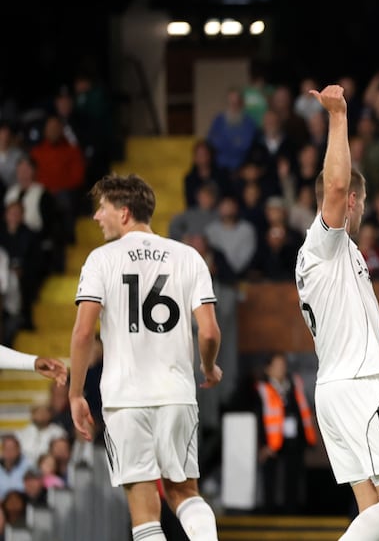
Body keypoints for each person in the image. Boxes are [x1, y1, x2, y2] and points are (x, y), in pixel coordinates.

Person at [298, 85, 379, 540]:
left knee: (373, 511)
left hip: (336, 392)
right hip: (359, 392)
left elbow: (367, 333)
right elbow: (335, 183)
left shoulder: (343, 258)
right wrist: (338, 117)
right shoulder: (325, 244)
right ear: (353, 203)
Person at [67, 173, 223, 541]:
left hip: (124, 399)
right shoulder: (189, 257)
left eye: (101, 208)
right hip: (176, 392)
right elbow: (210, 331)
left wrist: (75, 394)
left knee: (143, 507)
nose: (95, 217)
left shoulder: (100, 260)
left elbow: (83, 333)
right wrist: (208, 366)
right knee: (184, 493)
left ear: (123, 213)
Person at [256, 353, 317, 513]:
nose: (281, 368)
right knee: (271, 479)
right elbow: (259, 419)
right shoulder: (262, 389)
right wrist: (262, 445)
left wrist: (307, 439)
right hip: (271, 442)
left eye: (283, 365)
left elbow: (303, 411)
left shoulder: (294, 385)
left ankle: (292, 510)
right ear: (268, 369)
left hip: (293, 440)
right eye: (277, 365)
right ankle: (269, 512)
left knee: (293, 477)